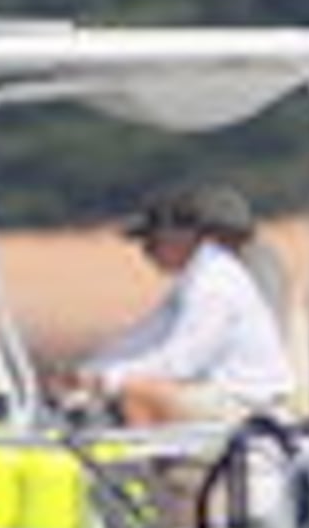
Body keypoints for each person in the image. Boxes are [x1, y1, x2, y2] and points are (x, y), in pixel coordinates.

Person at [78, 181, 292, 428]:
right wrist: (88, 371)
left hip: (249, 404)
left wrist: (107, 380)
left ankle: (152, 465)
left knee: (138, 394)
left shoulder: (214, 282)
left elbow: (183, 362)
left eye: (151, 240)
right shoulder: (193, 279)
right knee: (124, 389)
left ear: (183, 236)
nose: (145, 251)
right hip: (219, 394)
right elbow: (146, 336)